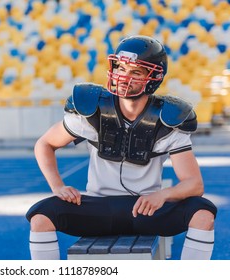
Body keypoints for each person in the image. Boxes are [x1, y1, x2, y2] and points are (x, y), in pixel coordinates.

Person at [25, 35, 217, 260]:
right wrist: (57, 186)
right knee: (40, 217)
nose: (124, 77)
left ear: (153, 77)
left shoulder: (168, 120)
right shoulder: (93, 111)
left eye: (136, 72)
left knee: (203, 214)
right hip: (98, 208)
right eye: (121, 68)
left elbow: (195, 184)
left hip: (146, 209)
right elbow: (45, 144)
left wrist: (162, 195)